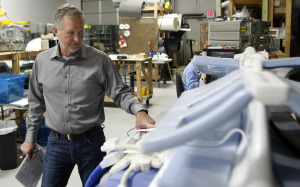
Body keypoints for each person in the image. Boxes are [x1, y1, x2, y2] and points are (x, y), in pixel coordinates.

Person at [20, 4, 155, 187]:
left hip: (91, 143)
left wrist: (140, 111)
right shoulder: (42, 62)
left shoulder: (99, 60)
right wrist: (30, 138)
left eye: (81, 32)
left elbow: (121, 92)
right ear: (56, 31)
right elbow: (36, 102)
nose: (77, 39)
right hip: (56, 143)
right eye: (71, 33)